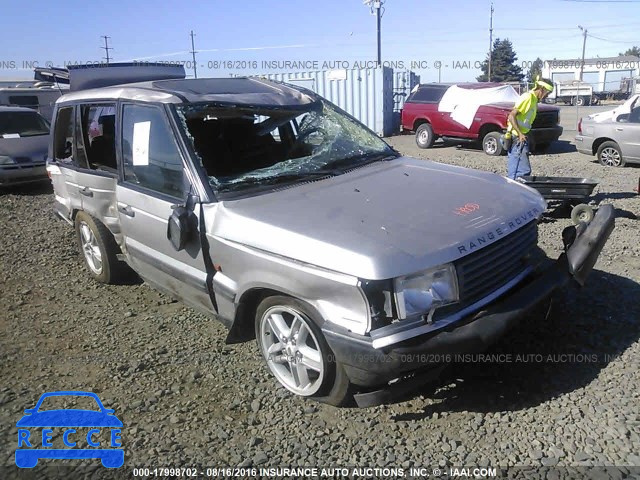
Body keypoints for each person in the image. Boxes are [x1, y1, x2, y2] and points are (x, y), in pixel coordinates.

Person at [505, 77, 554, 179]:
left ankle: (515, 191)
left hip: (521, 137)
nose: (548, 95)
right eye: (547, 92)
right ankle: (514, 191)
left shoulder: (533, 101)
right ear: (542, 89)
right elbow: (511, 116)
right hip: (517, 139)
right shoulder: (528, 98)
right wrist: (520, 134)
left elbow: (525, 122)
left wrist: (528, 135)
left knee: (521, 170)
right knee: (521, 171)